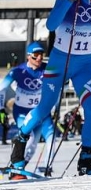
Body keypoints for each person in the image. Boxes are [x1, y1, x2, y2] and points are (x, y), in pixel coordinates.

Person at [10, 0, 91, 176]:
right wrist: (68, 0)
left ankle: (85, 159)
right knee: (45, 106)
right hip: (58, 62)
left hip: (83, 65)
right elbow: (50, 25)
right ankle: (21, 138)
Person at [0, 43, 55, 178]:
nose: (39, 58)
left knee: (49, 138)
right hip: (22, 112)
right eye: (35, 55)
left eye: (41, 55)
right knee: (28, 138)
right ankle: (16, 167)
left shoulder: (47, 69)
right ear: (28, 56)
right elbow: (2, 89)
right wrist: (1, 108)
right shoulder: (18, 71)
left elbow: (60, 86)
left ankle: (47, 167)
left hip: (41, 112)